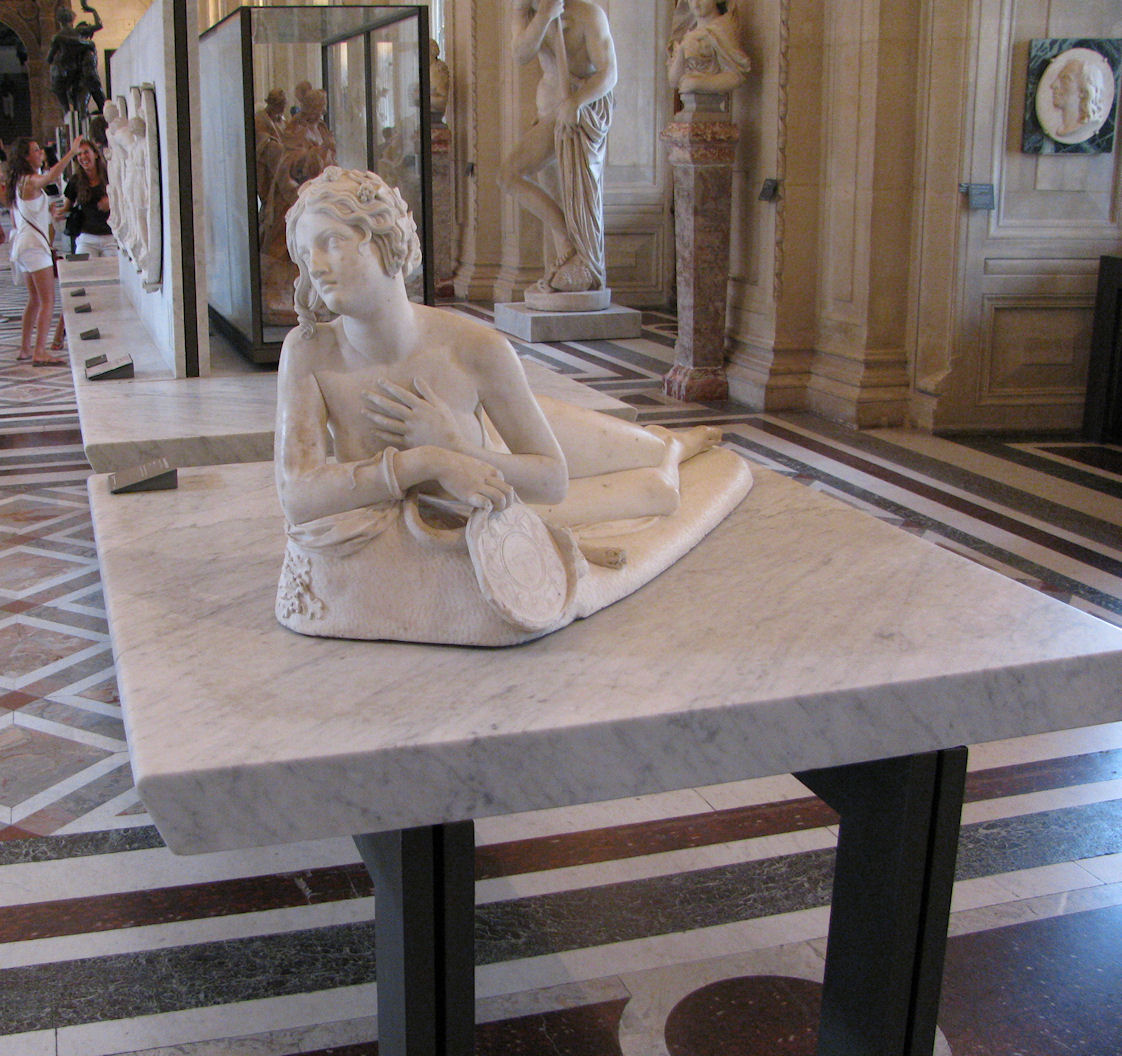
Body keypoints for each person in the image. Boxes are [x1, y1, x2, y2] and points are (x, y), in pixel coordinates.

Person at [499, 0, 617, 296]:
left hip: (577, 111)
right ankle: (570, 258)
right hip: (548, 113)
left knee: (510, 175)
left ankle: (579, 257)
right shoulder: (526, 10)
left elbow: (609, 72)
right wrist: (544, 16)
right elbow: (520, 54)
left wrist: (576, 102)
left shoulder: (589, 14)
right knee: (555, 197)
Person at [4, 136, 84, 366]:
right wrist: (72, 152)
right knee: (48, 300)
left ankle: (25, 348)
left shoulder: (18, 182)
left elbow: (18, 217)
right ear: (26, 157)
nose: (41, 153)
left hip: (23, 244)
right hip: (34, 246)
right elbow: (49, 176)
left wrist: (48, 213)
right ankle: (40, 351)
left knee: (34, 300)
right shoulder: (30, 180)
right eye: (36, 150)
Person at [667, 0, 751, 96]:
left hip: (710, 101)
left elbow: (736, 76)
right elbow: (674, 82)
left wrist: (699, 84)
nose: (695, 4)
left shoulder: (722, 30)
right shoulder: (687, 34)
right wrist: (681, 52)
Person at [54, 139, 116, 257]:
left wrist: (111, 201)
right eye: (79, 154)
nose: (83, 157)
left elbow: (124, 199)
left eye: (86, 152)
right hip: (87, 237)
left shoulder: (110, 175)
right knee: (83, 265)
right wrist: (58, 213)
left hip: (110, 236)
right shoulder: (76, 180)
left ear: (95, 154)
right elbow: (67, 208)